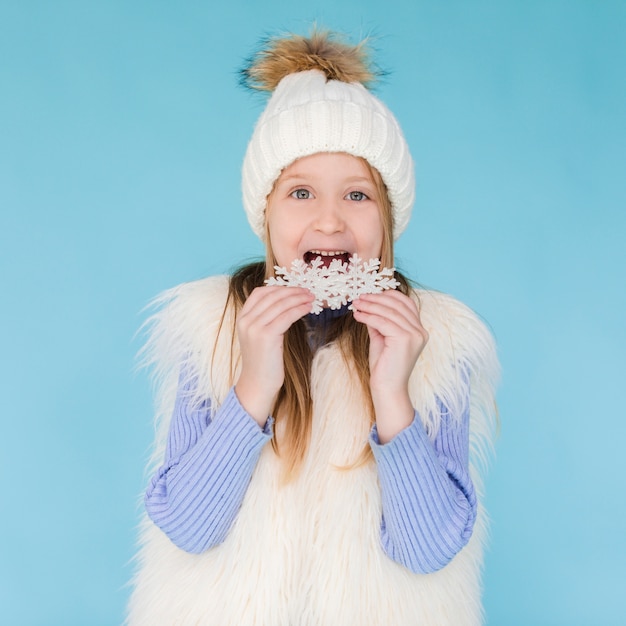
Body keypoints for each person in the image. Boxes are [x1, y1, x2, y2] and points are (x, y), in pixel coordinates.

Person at [127, 29, 499, 626]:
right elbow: (189, 530)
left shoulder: (440, 343)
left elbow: (428, 553)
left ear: (389, 220)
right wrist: (254, 382)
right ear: (265, 216)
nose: (330, 221)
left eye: (357, 195)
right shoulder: (212, 328)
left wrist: (393, 394)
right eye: (301, 193)